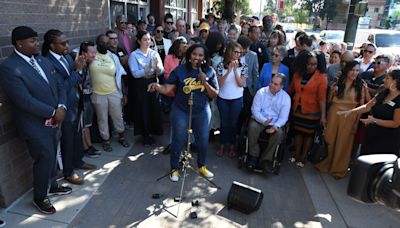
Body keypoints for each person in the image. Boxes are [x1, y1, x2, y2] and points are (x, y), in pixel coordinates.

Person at [0, 26, 72, 214]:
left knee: (53, 153)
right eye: (32, 41)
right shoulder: (9, 67)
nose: (37, 43)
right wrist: (52, 111)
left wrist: (62, 107)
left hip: (55, 119)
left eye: (36, 39)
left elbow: (60, 86)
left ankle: (52, 184)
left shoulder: (43, 60)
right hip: (34, 124)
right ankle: (40, 197)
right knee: (45, 157)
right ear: (19, 44)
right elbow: (24, 100)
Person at [147, 43, 219, 182]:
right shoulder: (180, 70)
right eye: (194, 54)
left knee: (203, 141)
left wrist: (205, 82)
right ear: (189, 55)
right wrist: (157, 86)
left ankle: (201, 166)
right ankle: (174, 169)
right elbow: (167, 88)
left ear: (204, 57)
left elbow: (215, 94)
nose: (196, 57)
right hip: (181, 110)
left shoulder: (209, 71)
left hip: (202, 111)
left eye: (200, 55)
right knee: (178, 140)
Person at [42, 29, 97, 185]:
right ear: (52, 45)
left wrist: (80, 68)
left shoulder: (66, 57)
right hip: (63, 108)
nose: (67, 45)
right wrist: (78, 70)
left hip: (75, 104)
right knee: (67, 141)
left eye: (67, 42)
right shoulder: (47, 62)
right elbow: (62, 87)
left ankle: (78, 161)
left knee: (77, 137)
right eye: (63, 43)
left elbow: (75, 78)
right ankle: (68, 172)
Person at [315, 61, 368, 179]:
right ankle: (327, 163)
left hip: (350, 116)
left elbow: (361, 105)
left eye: (357, 70)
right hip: (334, 113)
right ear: (347, 70)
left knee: (344, 143)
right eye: (353, 70)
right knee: (330, 139)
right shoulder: (338, 81)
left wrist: (356, 123)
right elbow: (329, 100)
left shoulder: (361, 85)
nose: (355, 73)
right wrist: (332, 91)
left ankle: (339, 169)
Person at [338, 67, 400, 156]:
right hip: (371, 136)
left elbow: (395, 123)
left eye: (387, 78)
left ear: (395, 81)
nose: (384, 79)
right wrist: (351, 111)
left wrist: (374, 120)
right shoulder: (383, 92)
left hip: (387, 140)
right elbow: (367, 106)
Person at [287, 50, 328, 167]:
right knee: (298, 133)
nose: (311, 67)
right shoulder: (297, 74)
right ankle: (296, 154)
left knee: (308, 135)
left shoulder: (321, 77)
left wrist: (323, 116)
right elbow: (290, 90)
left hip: (312, 111)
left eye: (314, 64)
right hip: (297, 109)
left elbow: (322, 99)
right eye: (309, 64)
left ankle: (303, 156)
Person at [90, 34, 130, 152]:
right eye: (102, 43)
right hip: (97, 93)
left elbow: (120, 75)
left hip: (113, 92)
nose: (105, 45)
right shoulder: (92, 55)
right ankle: (105, 140)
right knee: (102, 118)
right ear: (97, 43)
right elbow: (80, 51)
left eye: (107, 43)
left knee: (118, 116)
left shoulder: (113, 57)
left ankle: (121, 137)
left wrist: (123, 93)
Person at [246, 74, 291, 171]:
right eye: (271, 82)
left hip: (275, 123)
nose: (272, 85)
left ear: (281, 86)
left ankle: (266, 160)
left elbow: (283, 117)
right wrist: (263, 121)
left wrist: (276, 126)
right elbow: (255, 110)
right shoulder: (261, 92)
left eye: (276, 84)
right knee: (252, 126)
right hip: (260, 120)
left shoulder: (286, 98)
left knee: (279, 134)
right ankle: (253, 156)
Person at [128, 31, 164, 146]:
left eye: (149, 39)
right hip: (141, 84)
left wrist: (158, 68)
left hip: (153, 82)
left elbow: (161, 70)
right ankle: (145, 134)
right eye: (145, 39)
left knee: (153, 107)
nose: (148, 42)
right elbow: (135, 73)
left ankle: (153, 132)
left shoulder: (154, 53)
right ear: (139, 41)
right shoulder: (134, 55)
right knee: (143, 109)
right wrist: (147, 69)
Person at [216, 42, 248, 157]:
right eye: (235, 52)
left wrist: (235, 71)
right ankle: (222, 144)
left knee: (233, 123)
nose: (237, 55)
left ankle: (232, 145)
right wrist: (228, 71)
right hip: (223, 98)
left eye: (239, 52)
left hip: (237, 99)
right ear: (229, 52)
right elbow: (218, 84)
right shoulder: (220, 65)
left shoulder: (243, 66)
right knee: (224, 123)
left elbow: (240, 84)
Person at [79, 41, 101, 158]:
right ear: (84, 53)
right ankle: (85, 148)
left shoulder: (87, 64)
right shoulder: (80, 65)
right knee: (83, 125)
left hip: (88, 97)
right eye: (92, 52)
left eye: (95, 52)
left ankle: (89, 145)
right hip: (81, 100)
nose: (94, 55)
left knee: (87, 124)